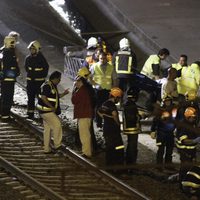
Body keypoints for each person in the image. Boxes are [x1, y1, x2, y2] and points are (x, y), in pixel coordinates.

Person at [37, 71, 69, 153]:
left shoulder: (51, 85)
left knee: (47, 129)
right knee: (57, 125)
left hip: (44, 111)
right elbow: (44, 97)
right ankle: (57, 145)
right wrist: (52, 107)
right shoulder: (48, 85)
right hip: (46, 111)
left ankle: (46, 149)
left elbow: (55, 97)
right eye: (59, 79)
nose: (60, 81)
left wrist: (64, 94)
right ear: (55, 78)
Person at [98, 87, 124, 166]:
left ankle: (109, 164)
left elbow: (99, 112)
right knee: (118, 146)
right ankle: (117, 164)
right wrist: (118, 124)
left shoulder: (105, 103)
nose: (119, 100)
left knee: (109, 146)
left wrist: (106, 117)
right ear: (116, 97)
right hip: (113, 129)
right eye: (119, 98)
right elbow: (115, 115)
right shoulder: (112, 105)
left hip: (106, 128)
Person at [90, 51, 117, 129]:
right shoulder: (94, 66)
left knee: (106, 107)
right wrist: (95, 85)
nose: (102, 60)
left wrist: (114, 90)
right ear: (99, 58)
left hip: (107, 90)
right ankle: (98, 123)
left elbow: (115, 79)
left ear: (107, 59)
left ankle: (106, 122)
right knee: (98, 107)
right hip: (97, 90)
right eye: (101, 58)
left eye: (104, 58)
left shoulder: (111, 67)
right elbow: (89, 78)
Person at [175, 107, 199, 189]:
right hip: (185, 151)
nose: (194, 118)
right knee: (184, 169)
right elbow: (184, 141)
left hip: (191, 151)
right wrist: (195, 141)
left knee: (189, 168)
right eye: (192, 117)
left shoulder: (192, 124)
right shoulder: (183, 126)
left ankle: (186, 184)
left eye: (194, 117)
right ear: (187, 117)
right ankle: (182, 185)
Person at [25, 40, 49, 119]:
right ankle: (30, 113)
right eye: (31, 49)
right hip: (30, 82)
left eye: (33, 49)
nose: (31, 50)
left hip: (39, 83)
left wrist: (40, 76)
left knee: (40, 99)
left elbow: (46, 68)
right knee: (30, 98)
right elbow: (26, 68)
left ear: (37, 49)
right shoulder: (28, 58)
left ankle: (41, 115)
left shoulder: (42, 59)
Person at [151, 97, 176, 170]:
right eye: (166, 101)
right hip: (161, 133)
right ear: (164, 102)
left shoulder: (174, 110)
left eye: (169, 101)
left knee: (169, 150)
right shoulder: (160, 110)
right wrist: (153, 131)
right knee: (161, 150)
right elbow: (155, 121)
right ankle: (159, 166)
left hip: (170, 134)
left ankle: (168, 165)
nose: (168, 103)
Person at [71, 76, 94, 158]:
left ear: (81, 82)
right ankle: (87, 151)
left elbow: (73, 100)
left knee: (84, 135)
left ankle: (87, 153)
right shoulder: (85, 90)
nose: (75, 83)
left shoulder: (81, 91)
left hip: (83, 115)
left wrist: (73, 89)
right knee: (86, 134)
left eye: (76, 81)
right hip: (85, 115)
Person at [0, 36, 20, 120]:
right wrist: (17, 72)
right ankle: (5, 115)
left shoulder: (2, 52)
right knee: (8, 97)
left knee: (4, 96)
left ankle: (2, 113)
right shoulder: (9, 53)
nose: (14, 46)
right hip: (8, 79)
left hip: (4, 79)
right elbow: (12, 67)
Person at [122, 87, 141, 166]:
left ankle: (129, 162)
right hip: (133, 129)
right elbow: (133, 117)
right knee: (132, 147)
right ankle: (131, 163)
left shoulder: (127, 104)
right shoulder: (132, 105)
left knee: (130, 145)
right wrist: (140, 116)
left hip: (129, 128)